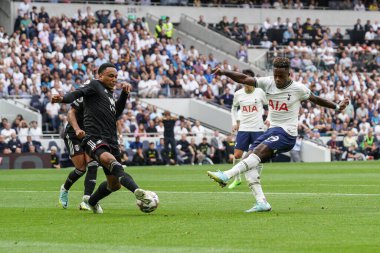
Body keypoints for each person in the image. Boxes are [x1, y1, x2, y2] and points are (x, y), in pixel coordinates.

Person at [208, 57, 349, 213]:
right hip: (272, 131)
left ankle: (226, 175)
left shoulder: (298, 89)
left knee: (255, 155)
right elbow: (243, 78)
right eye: (275, 75)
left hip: (287, 134)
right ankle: (261, 202)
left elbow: (316, 99)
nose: (277, 79)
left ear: (289, 74)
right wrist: (223, 72)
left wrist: (337, 107)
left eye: (281, 76)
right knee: (249, 160)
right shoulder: (267, 82)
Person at [52, 63, 154, 214]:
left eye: (116, 77)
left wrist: (124, 95)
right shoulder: (94, 85)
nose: (114, 79)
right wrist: (62, 99)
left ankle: (91, 201)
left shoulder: (109, 94)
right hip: (93, 136)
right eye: (110, 76)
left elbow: (116, 115)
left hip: (111, 139)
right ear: (100, 76)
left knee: (114, 185)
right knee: (102, 162)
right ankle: (139, 191)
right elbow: (76, 95)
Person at [58, 95, 99, 211]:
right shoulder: (84, 98)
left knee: (93, 164)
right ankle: (65, 189)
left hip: (90, 134)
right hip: (73, 134)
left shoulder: (105, 101)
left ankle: (86, 200)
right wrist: (76, 129)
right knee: (81, 169)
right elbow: (70, 114)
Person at [227, 69, 267, 190]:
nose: (247, 83)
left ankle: (257, 177)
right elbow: (233, 108)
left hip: (258, 128)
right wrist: (235, 122)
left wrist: (269, 119)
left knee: (259, 156)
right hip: (244, 128)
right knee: (237, 154)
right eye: (244, 80)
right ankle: (237, 179)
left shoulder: (260, 92)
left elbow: (269, 105)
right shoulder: (238, 94)